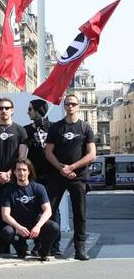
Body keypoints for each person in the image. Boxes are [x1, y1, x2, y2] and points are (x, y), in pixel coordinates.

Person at [45, 94, 96, 261]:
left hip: (78, 176)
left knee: (79, 214)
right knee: (49, 211)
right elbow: (48, 152)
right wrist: (61, 168)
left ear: (78, 106)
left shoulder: (85, 127)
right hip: (57, 175)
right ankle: (50, 246)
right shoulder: (55, 127)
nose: (70, 106)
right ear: (64, 106)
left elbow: (92, 155)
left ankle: (79, 248)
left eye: (73, 104)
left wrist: (72, 167)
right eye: (67, 104)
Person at [0, 98, 28, 255]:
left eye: (7, 108)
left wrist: (9, 172)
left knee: (14, 213)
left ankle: (19, 246)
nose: (3, 111)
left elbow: (22, 156)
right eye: (0, 108)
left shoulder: (20, 130)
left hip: (13, 178)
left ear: (12, 110)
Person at [1, 158, 59, 261]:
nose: (21, 172)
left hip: (35, 226)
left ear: (29, 171)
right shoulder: (8, 190)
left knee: (54, 227)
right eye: (18, 170)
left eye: (24, 170)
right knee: (7, 231)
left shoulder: (39, 188)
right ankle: (21, 249)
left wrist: (38, 226)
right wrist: (18, 227)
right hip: (18, 227)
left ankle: (43, 252)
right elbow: (5, 215)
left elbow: (48, 210)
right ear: (14, 172)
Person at [24, 99, 61, 256]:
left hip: (52, 176)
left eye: (30, 109)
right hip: (35, 177)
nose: (28, 112)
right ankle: (38, 244)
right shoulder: (27, 129)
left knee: (53, 209)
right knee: (36, 210)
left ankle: (54, 244)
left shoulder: (54, 128)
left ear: (39, 110)